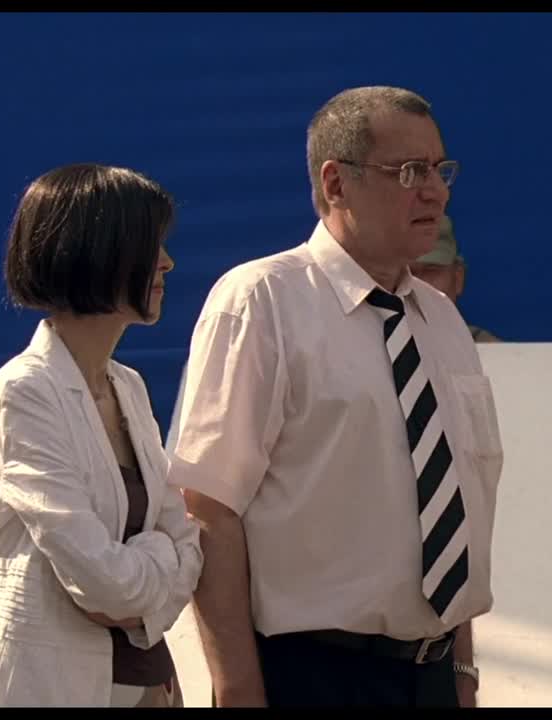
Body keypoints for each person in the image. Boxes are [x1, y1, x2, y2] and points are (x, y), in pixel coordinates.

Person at [171, 86, 503, 707]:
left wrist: (462, 673)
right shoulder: (262, 300)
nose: (435, 191)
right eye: (410, 171)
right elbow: (207, 509)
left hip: (432, 676)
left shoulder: (441, 320)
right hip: (312, 674)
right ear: (336, 182)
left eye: (440, 169)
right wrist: (238, 688)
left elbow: (448, 505)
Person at [0, 164, 203, 707]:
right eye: (150, 245)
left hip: (153, 693)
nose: (167, 262)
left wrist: (146, 568)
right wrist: (157, 559)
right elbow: (103, 585)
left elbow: (187, 544)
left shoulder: (128, 386)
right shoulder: (23, 392)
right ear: (98, 252)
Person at [408, 215, 501, 342]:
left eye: (431, 270)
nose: (418, 283)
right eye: (406, 273)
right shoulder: (378, 346)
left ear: (458, 277)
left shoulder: (490, 350)